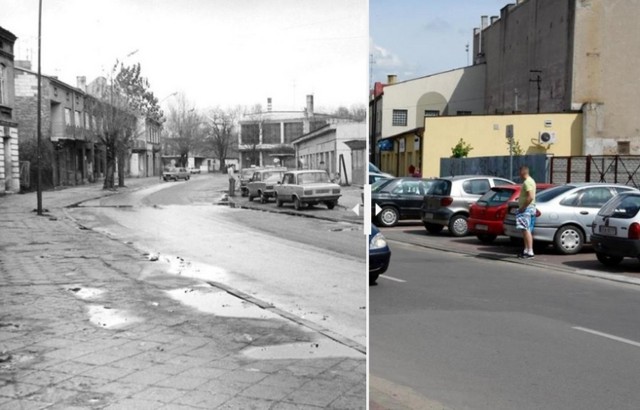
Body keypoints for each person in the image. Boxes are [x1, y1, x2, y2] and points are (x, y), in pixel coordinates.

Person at [516, 165, 537, 259]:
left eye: (519, 172)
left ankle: (530, 251)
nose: (518, 174)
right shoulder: (531, 181)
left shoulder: (527, 182)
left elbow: (530, 196)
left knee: (526, 229)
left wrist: (523, 207)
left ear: (522, 172)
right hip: (530, 208)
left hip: (527, 209)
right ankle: (526, 250)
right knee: (526, 230)